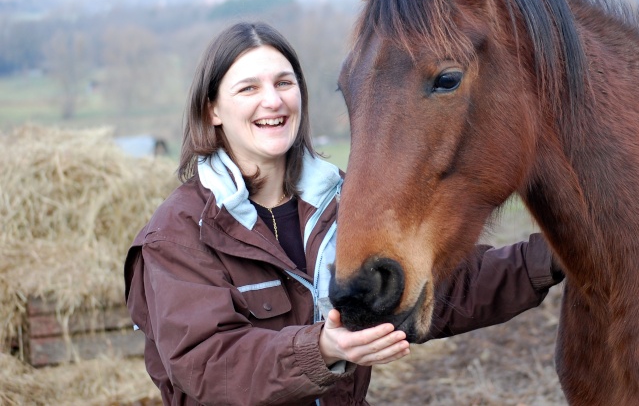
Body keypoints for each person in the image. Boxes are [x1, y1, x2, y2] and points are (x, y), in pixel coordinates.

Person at [124, 21, 564, 405]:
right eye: (248, 89)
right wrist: (323, 349)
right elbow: (208, 363)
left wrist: (559, 255)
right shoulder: (180, 234)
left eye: (284, 83)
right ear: (213, 109)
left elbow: (439, 286)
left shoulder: (342, 200)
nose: (273, 101)